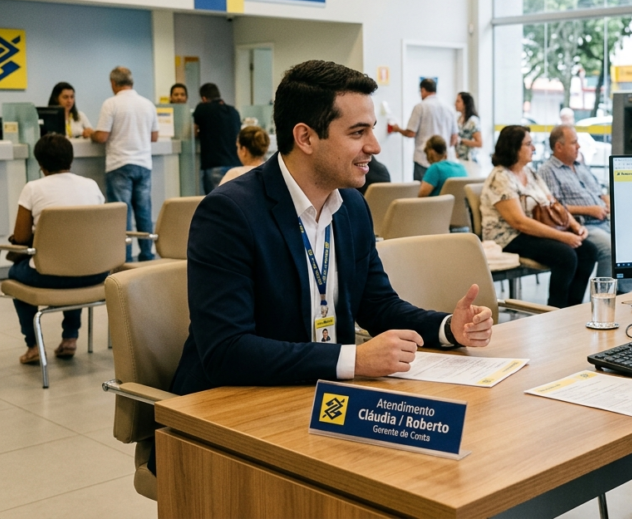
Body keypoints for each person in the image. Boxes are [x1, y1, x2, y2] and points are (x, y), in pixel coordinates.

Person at [169, 60, 493, 402]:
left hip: (318, 395)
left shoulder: (351, 206)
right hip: (229, 404)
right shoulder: (230, 214)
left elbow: (378, 305)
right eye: (358, 132)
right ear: (305, 137)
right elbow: (226, 351)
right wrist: (354, 360)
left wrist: (448, 328)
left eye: (372, 130)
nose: (374, 146)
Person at [9, 134, 106, 365]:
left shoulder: (33, 188)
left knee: (14, 275)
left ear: (40, 164)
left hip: (50, 276)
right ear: (71, 160)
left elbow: (20, 238)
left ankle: (33, 345)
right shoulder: (91, 185)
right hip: (95, 273)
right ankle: (70, 338)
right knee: (75, 261)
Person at [480, 125, 598, 308]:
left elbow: (553, 203)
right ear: (514, 147)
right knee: (566, 255)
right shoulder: (501, 177)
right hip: (508, 237)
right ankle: (556, 312)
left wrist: (575, 226)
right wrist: (563, 236)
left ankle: (572, 308)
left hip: (533, 231)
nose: (534, 148)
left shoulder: (529, 173)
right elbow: (519, 222)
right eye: (528, 144)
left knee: (588, 251)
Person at [538, 125, 632, 293]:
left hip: (604, 221)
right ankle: (603, 300)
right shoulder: (548, 171)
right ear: (559, 147)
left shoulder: (581, 166)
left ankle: (622, 293)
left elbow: (599, 193)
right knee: (610, 249)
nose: (578, 146)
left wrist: (609, 203)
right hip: (582, 225)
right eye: (574, 143)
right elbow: (554, 208)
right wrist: (589, 210)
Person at [92, 66, 158, 262]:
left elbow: (102, 136)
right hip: (143, 164)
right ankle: (147, 255)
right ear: (131, 82)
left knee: (122, 214)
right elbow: (154, 136)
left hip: (119, 164)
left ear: (113, 83)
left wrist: (90, 134)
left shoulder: (111, 104)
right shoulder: (147, 104)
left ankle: (125, 259)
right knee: (144, 212)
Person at [390, 78, 458, 181]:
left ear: (423, 90)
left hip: (423, 159)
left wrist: (397, 129)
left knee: (423, 190)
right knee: (441, 190)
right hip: (443, 161)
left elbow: (411, 133)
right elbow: (454, 138)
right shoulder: (449, 108)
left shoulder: (420, 107)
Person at [193, 82, 242, 193]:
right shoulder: (233, 111)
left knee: (215, 201)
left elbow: (194, 132)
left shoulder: (202, 109)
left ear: (204, 98)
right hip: (235, 164)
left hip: (214, 164)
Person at [454, 91, 483, 165]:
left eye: (458, 101)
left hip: (469, 159)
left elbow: (479, 143)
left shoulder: (473, 121)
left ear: (465, 104)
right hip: (459, 159)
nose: (455, 104)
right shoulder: (459, 119)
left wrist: (461, 141)